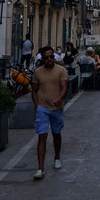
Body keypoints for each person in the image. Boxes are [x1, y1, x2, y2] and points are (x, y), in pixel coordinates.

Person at [31, 46, 68, 180]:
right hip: (43, 109)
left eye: (51, 57)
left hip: (57, 109)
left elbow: (64, 87)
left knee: (57, 134)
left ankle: (57, 156)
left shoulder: (61, 70)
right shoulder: (38, 73)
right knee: (42, 136)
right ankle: (40, 168)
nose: (49, 59)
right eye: (46, 57)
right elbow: (34, 90)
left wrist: (59, 98)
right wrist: (37, 106)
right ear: (42, 58)